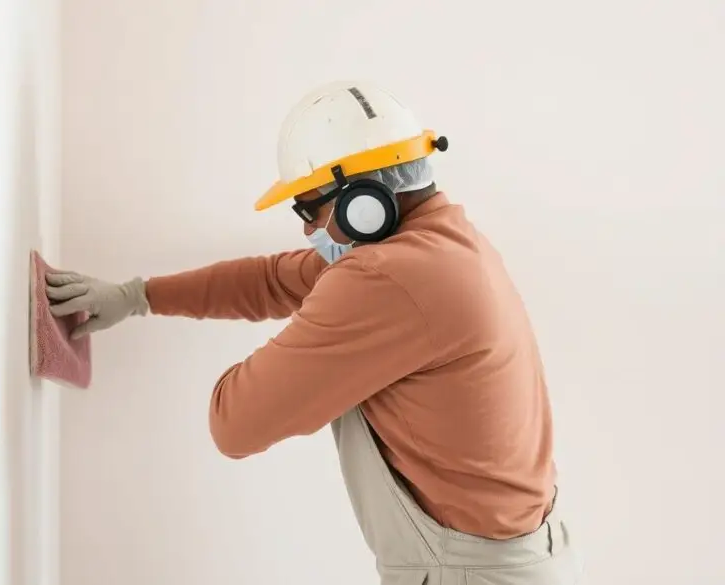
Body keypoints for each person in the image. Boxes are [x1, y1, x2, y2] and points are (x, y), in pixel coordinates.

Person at [46, 81, 584, 584]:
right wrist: (136, 295)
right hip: (515, 559)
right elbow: (272, 279)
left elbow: (234, 424)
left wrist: (312, 345)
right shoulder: (441, 245)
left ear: (362, 200)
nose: (307, 229)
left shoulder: (388, 279)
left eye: (309, 206)